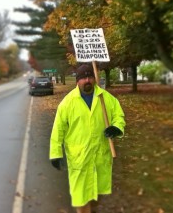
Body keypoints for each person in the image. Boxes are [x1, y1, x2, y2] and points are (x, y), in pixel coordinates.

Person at [49, 64, 126, 213]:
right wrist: (55, 153)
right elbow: (58, 130)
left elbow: (119, 116)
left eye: (90, 76)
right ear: (77, 81)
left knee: (97, 194)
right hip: (80, 159)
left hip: (100, 157)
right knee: (81, 198)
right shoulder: (67, 103)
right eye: (83, 77)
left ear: (94, 78)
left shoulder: (105, 98)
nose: (87, 80)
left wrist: (116, 128)